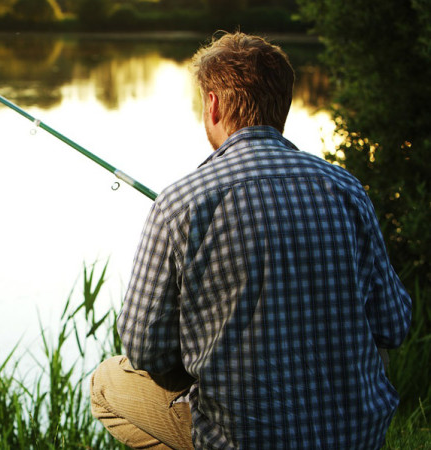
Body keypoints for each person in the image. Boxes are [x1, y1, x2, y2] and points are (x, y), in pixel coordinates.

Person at [90, 32, 412, 449]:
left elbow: (143, 346)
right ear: (284, 106)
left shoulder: (181, 201)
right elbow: (395, 323)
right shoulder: (347, 188)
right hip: (355, 438)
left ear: (214, 104)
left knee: (106, 384)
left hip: (242, 439)